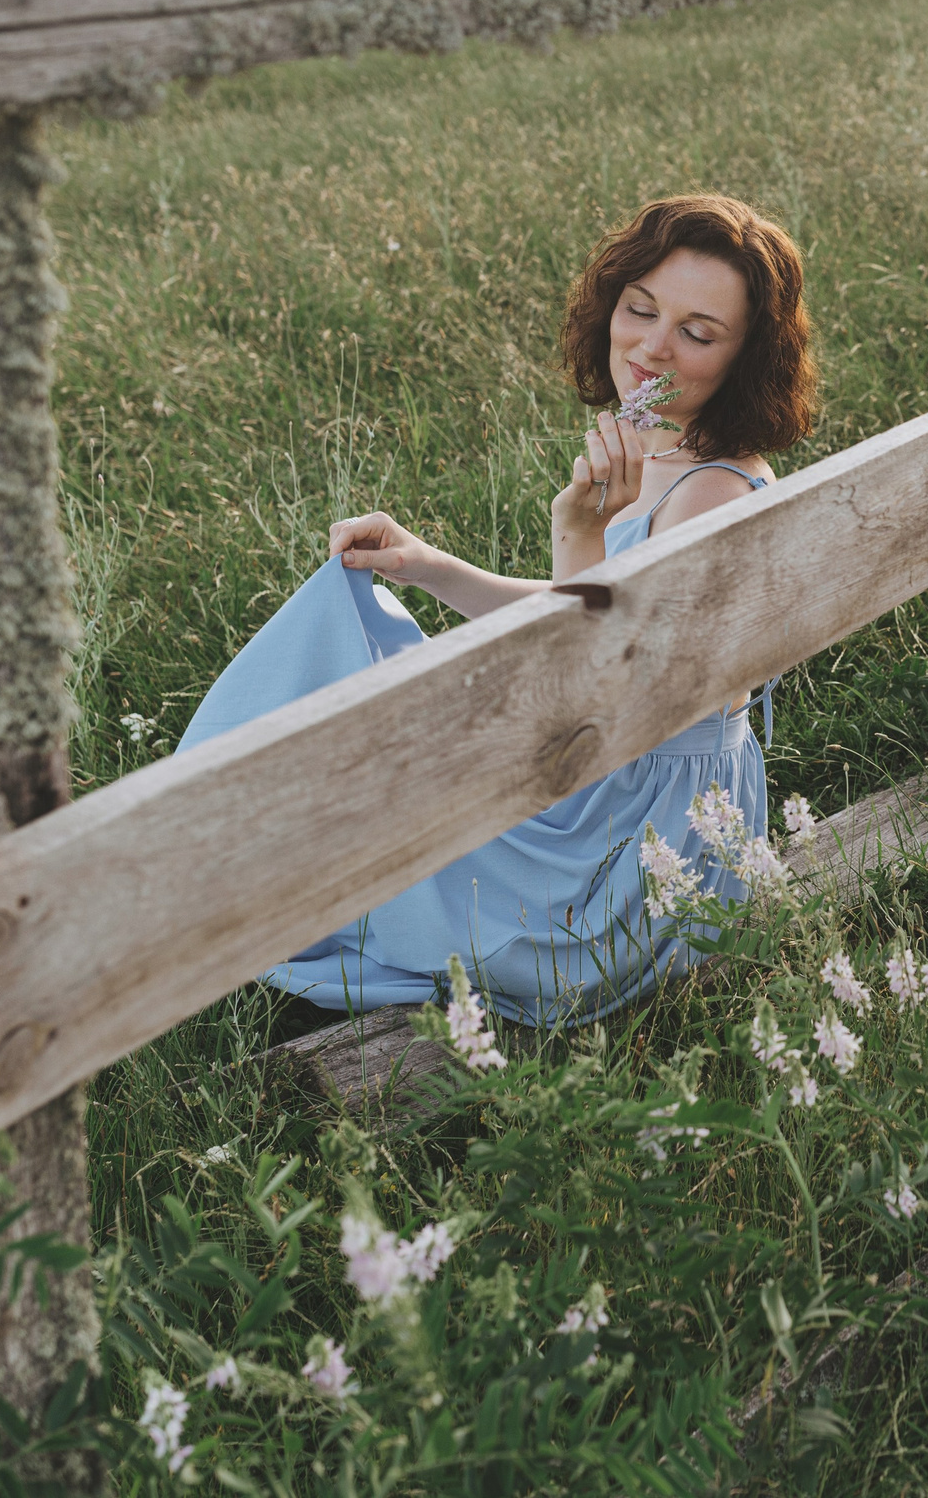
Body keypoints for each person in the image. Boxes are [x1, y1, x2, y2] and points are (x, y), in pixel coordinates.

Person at [177, 194, 817, 1027]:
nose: (652, 347)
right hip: (609, 778)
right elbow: (585, 621)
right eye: (640, 309)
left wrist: (577, 530)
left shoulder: (716, 499)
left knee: (376, 792)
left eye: (698, 333)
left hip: (635, 846)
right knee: (348, 682)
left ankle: (193, 874)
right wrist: (427, 564)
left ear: (745, 359)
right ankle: (202, 854)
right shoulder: (664, 451)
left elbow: (598, 690)